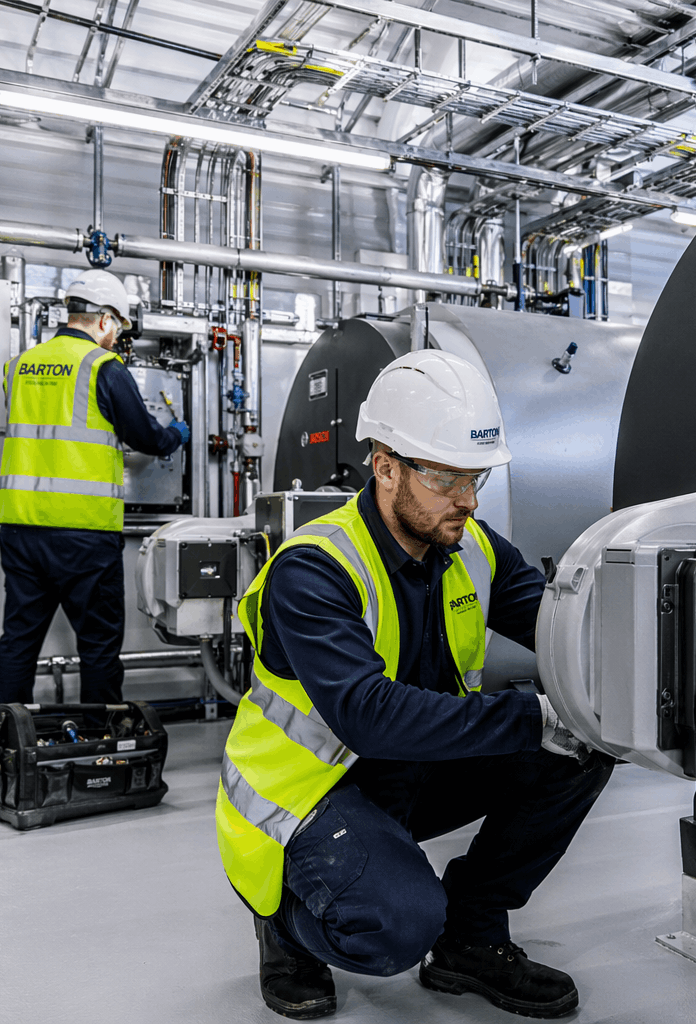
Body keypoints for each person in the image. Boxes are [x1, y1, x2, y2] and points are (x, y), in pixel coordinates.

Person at [216, 349, 611, 1021]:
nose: (469, 499)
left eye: (476, 477)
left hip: (409, 771)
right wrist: (533, 716)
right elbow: (366, 715)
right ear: (386, 467)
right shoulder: (315, 568)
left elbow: (564, 628)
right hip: (310, 790)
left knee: (586, 745)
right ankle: (283, 925)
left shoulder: (473, 547)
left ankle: (472, 939)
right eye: (448, 479)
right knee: (396, 927)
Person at [0, 268, 189, 710]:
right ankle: (101, 747)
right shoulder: (103, 367)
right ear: (103, 320)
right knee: (98, 646)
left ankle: (4, 744)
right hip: (84, 533)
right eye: (117, 328)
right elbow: (145, 438)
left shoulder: (18, 367)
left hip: (21, 528)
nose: (116, 338)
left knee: (18, 642)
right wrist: (176, 433)